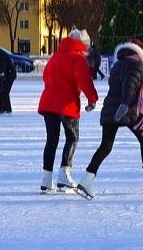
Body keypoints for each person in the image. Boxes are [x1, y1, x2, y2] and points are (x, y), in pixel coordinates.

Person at [77, 38, 143, 199]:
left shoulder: (118, 64)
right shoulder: (136, 65)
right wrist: (125, 103)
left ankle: (87, 179)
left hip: (110, 109)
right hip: (127, 109)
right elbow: (130, 84)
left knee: (106, 146)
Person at [37, 29, 98, 193]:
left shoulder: (55, 57)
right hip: (66, 105)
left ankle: (46, 177)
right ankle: (64, 173)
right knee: (72, 137)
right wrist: (93, 99)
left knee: (52, 139)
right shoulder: (78, 58)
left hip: (48, 103)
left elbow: (45, 76)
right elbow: (84, 80)